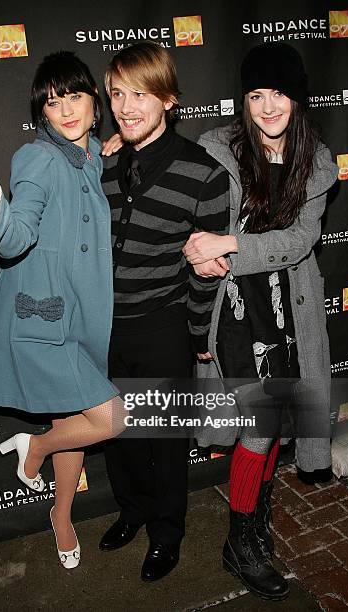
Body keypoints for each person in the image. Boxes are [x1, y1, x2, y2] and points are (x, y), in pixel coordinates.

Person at [0, 51, 125, 570]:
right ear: (41, 112)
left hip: (79, 315)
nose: (65, 110)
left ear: (95, 102)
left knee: (74, 418)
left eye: (75, 96)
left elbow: (101, 152)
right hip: (43, 318)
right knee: (109, 419)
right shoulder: (38, 159)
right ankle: (36, 448)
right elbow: (15, 234)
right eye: (52, 101)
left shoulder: (92, 152)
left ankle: (60, 516)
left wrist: (108, 144)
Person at [183, 43, 337, 600]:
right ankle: (240, 542)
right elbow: (184, 215)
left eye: (279, 94)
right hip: (233, 306)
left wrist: (231, 241)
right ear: (243, 101)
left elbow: (301, 239)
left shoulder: (316, 161)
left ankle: (253, 520)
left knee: (273, 420)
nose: (268, 107)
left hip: (288, 304)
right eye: (256, 95)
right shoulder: (214, 151)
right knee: (261, 421)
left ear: (297, 98)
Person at [98, 42, 230, 582]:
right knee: (118, 433)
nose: (127, 108)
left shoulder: (204, 174)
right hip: (102, 329)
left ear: (169, 99)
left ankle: (167, 532)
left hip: (162, 326)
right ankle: (131, 511)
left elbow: (205, 268)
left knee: (166, 440)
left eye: (142, 94)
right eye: (117, 95)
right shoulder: (99, 164)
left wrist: (198, 335)